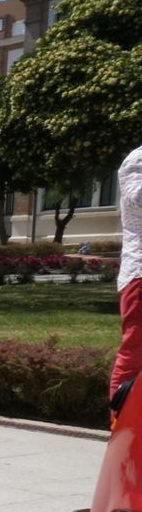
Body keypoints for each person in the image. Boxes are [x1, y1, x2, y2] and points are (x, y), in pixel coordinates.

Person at [111, 144, 142, 399]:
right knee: (135, 357)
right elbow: (137, 200)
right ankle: (122, 421)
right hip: (140, 275)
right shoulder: (138, 159)